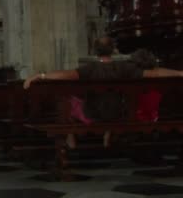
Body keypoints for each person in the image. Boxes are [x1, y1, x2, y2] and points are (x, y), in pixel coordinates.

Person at [24, 36, 183, 148]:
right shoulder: (125, 68)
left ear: (95, 51)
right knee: (113, 99)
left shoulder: (90, 68)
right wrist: (180, 73)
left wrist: (41, 75)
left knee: (66, 100)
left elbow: (66, 74)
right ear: (113, 50)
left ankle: (70, 137)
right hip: (120, 114)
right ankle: (108, 132)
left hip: (93, 115)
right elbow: (154, 73)